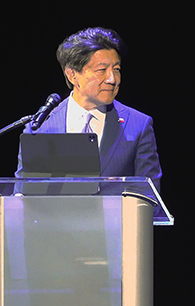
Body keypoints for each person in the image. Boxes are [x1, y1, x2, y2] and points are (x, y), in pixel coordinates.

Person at [15, 27, 162, 191]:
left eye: (116, 69)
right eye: (102, 70)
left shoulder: (138, 125)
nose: (112, 79)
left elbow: (148, 197)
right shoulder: (40, 128)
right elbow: (23, 195)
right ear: (72, 75)